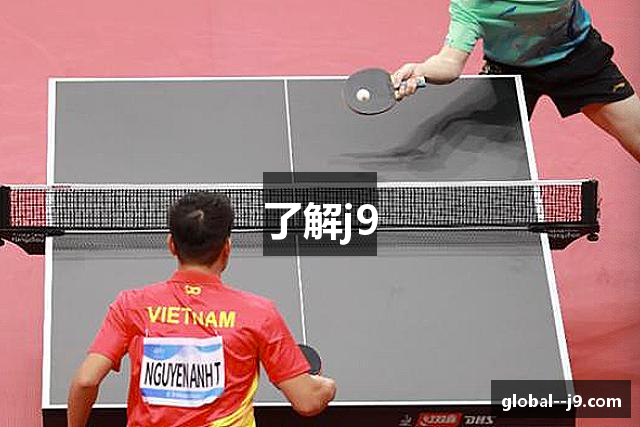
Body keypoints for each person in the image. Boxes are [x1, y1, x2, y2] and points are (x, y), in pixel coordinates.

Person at [67, 192, 336, 427]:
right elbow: (308, 401)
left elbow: (86, 381)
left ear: (171, 245)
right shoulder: (259, 314)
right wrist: (326, 387)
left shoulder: (131, 305)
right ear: (227, 248)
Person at [392, 0, 640, 163]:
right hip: (509, 73)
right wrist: (421, 70)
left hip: (578, 58)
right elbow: (449, 62)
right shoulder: (472, 4)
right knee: (484, 166)